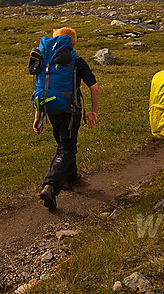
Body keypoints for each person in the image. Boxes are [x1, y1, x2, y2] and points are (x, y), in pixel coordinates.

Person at [33, 27, 98, 211]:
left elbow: (39, 88)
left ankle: (71, 177)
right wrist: (93, 111)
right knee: (66, 147)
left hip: (50, 109)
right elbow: (94, 88)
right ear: (72, 42)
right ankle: (51, 186)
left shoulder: (45, 61)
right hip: (70, 110)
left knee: (64, 144)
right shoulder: (76, 60)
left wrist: (38, 116)